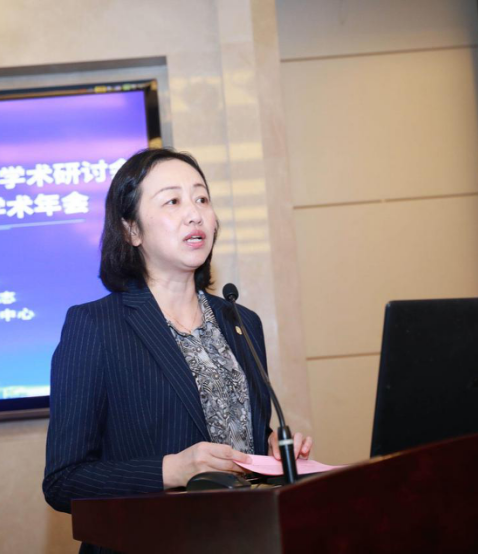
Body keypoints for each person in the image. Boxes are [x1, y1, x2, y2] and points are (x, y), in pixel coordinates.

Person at [42, 148, 313, 532]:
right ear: (132, 231)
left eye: (201, 199)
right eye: (172, 201)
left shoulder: (241, 321)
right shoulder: (95, 326)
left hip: (246, 536)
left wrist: (272, 452)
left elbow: (235, 431)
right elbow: (63, 481)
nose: (195, 214)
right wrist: (172, 470)